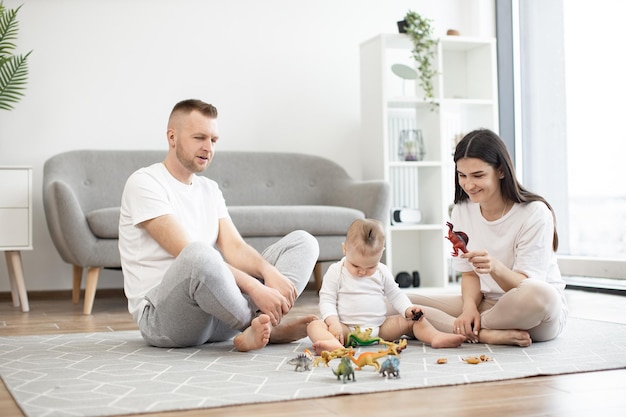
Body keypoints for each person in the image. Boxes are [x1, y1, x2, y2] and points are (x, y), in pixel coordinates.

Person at [119, 99, 319, 352]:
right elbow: (187, 253)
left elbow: (234, 247)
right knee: (198, 254)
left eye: (213, 140)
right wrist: (256, 287)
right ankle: (263, 326)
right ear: (172, 137)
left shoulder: (209, 189)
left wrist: (269, 272)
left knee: (303, 242)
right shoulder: (145, 182)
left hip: (219, 312)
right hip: (166, 320)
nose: (208, 148)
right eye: (199, 138)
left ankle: (258, 323)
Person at [408, 128, 568, 347]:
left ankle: (466, 328)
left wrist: (495, 268)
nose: (469, 185)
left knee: (542, 295)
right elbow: (469, 274)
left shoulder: (535, 213)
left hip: (532, 313)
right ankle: (484, 334)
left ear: (501, 171)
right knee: (396, 302)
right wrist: (469, 309)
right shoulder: (462, 210)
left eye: (478, 175)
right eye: (462, 175)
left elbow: (527, 286)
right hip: (486, 304)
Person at [307, 218, 466, 355]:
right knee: (315, 325)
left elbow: (396, 295)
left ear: (380, 254)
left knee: (413, 320)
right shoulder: (336, 271)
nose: (362, 271)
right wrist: (334, 323)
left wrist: (407, 310)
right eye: (355, 266)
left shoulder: (382, 271)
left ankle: (435, 336)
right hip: (346, 330)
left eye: (370, 267)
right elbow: (327, 300)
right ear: (344, 249)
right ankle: (331, 343)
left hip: (380, 329)